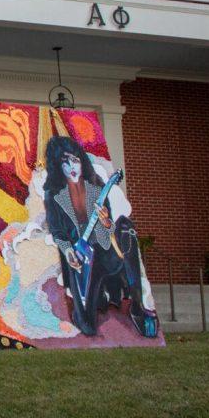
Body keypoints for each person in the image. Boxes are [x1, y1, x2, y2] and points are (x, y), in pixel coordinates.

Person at [43, 135, 157, 338]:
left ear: (82, 161)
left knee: (125, 226)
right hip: (81, 261)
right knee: (87, 327)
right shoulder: (53, 194)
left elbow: (109, 230)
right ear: (57, 166)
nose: (72, 166)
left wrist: (105, 222)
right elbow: (57, 231)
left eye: (75, 159)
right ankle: (94, 303)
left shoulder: (97, 187)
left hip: (105, 254)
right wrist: (69, 251)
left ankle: (137, 307)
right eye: (65, 161)